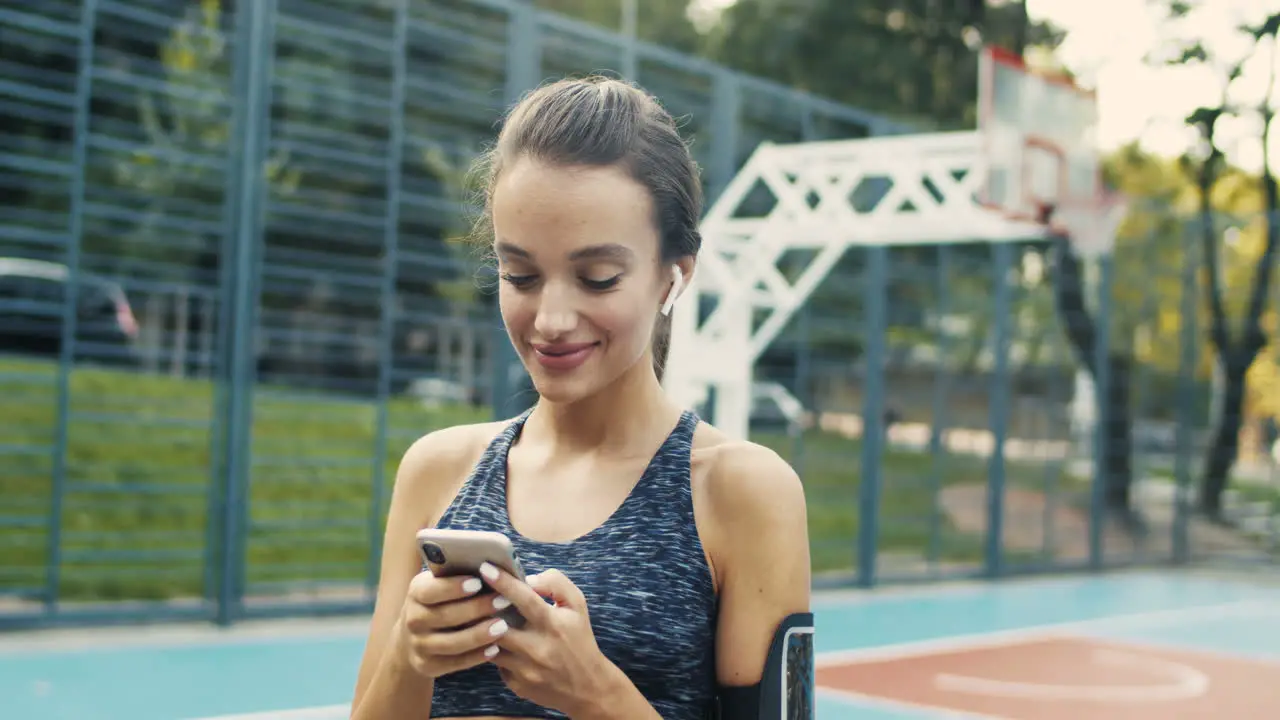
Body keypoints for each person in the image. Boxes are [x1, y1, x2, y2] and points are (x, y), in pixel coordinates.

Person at [350, 76, 811, 720]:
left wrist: (596, 694)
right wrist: (409, 650)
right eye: (522, 275)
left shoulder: (742, 491)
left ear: (673, 276)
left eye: (598, 278)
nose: (551, 320)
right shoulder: (438, 470)